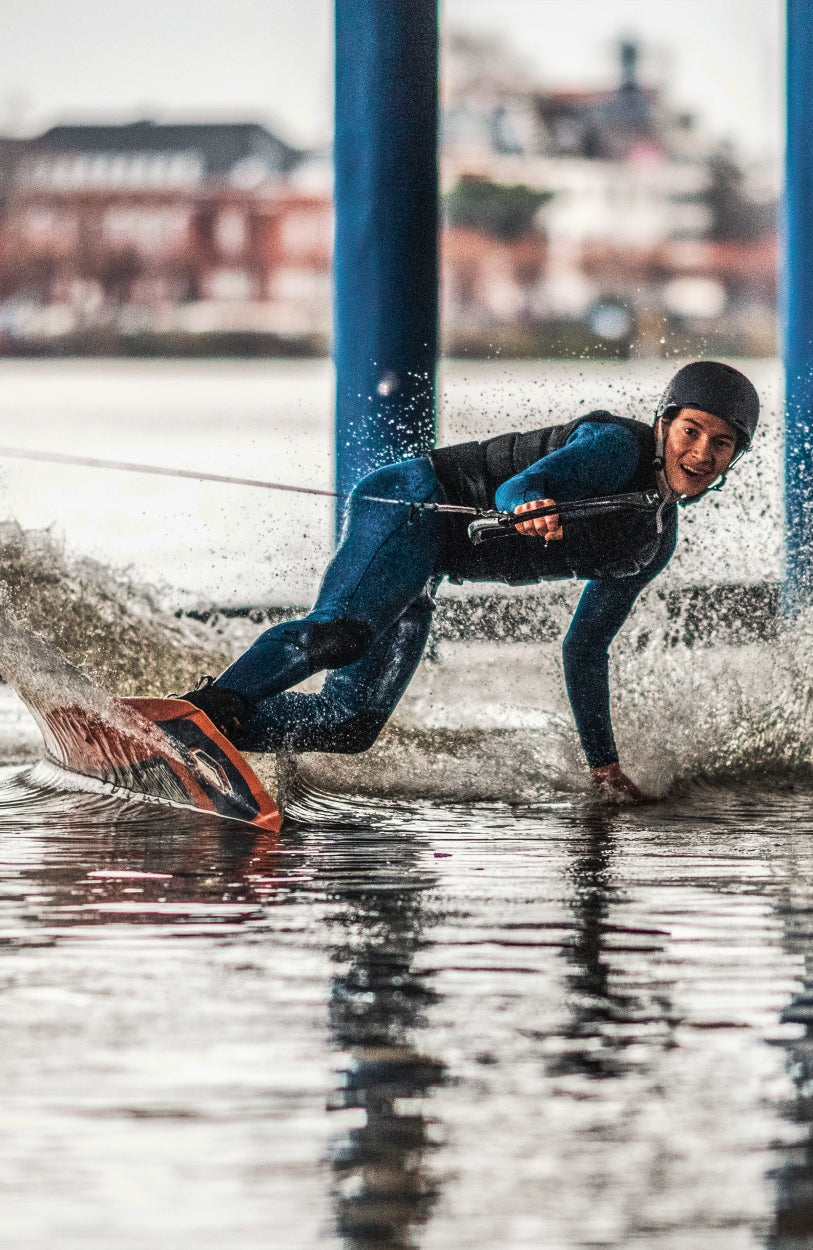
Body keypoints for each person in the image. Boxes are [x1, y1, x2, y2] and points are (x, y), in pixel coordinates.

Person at [181, 360, 759, 804]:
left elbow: (584, 649)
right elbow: (516, 488)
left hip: (425, 565)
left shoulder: (652, 543)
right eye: (691, 431)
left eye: (722, 443)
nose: (701, 453)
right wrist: (529, 503)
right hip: (412, 504)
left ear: (735, 457)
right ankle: (202, 711)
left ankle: (214, 736)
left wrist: (603, 767)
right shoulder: (613, 450)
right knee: (342, 633)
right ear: (664, 424)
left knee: (350, 724)